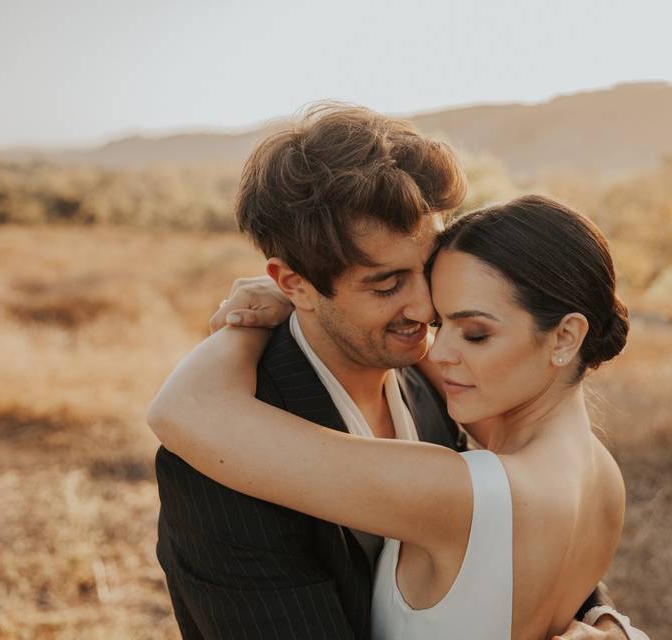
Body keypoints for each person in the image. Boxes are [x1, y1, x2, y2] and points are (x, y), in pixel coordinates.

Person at [151, 104, 642, 639]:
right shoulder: (218, 464)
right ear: (294, 283)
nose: (425, 309)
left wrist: (604, 621)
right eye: (386, 285)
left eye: (428, 270)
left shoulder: (448, 388)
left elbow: (522, 540)